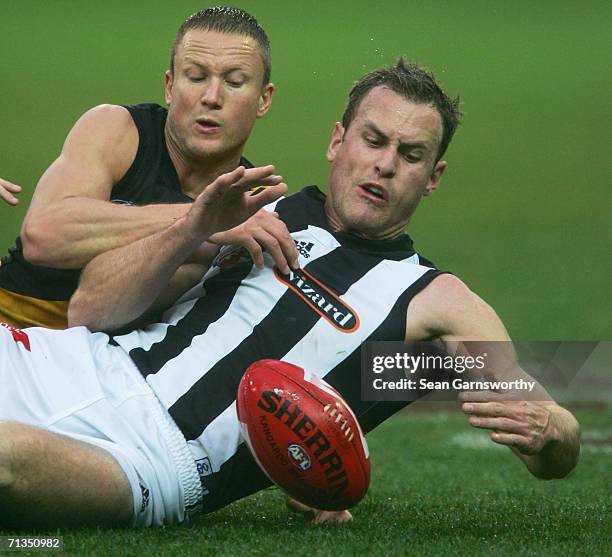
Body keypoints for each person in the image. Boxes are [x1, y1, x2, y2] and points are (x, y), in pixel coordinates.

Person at [0, 59, 580, 529]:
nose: (383, 166)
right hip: (78, 363)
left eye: (410, 155)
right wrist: (192, 230)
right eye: (373, 140)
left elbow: (543, 432)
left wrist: (554, 432)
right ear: (337, 141)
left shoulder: (435, 304)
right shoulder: (259, 209)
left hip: (152, 458)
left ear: (433, 177)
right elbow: (91, 310)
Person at [0, 7, 298, 330]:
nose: (212, 97)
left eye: (235, 82)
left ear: (263, 100)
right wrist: (201, 221)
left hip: (110, 369)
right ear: (170, 87)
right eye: (196, 77)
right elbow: (43, 235)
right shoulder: (117, 131)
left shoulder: (252, 212)